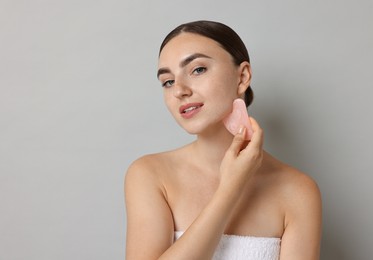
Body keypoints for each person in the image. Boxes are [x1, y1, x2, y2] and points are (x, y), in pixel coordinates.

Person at [124, 20, 322, 260]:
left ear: (242, 77)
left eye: (198, 69)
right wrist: (230, 188)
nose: (179, 90)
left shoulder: (297, 191)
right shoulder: (150, 175)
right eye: (168, 81)